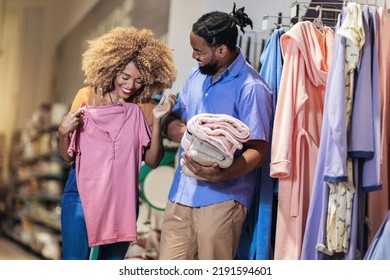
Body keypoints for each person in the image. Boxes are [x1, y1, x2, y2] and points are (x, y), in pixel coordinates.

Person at [159, 4, 272, 260]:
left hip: (222, 200)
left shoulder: (252, 88)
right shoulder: (195, 77)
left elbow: (259, 150)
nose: (193, 56)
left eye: (199, 50)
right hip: (181, 193)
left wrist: (223, 174)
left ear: (221, 50)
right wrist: (191, 135)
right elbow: (173, 119)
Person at [58, 26, 177, 260]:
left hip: (122, 198)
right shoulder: (87, 98)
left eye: (139, 81)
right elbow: (69, 156)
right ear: (113, 67)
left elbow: (152, 161)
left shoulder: (145, 108)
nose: (131, 86)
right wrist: (63, 133)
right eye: (125, 77)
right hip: (82, 190)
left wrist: (157, 122)